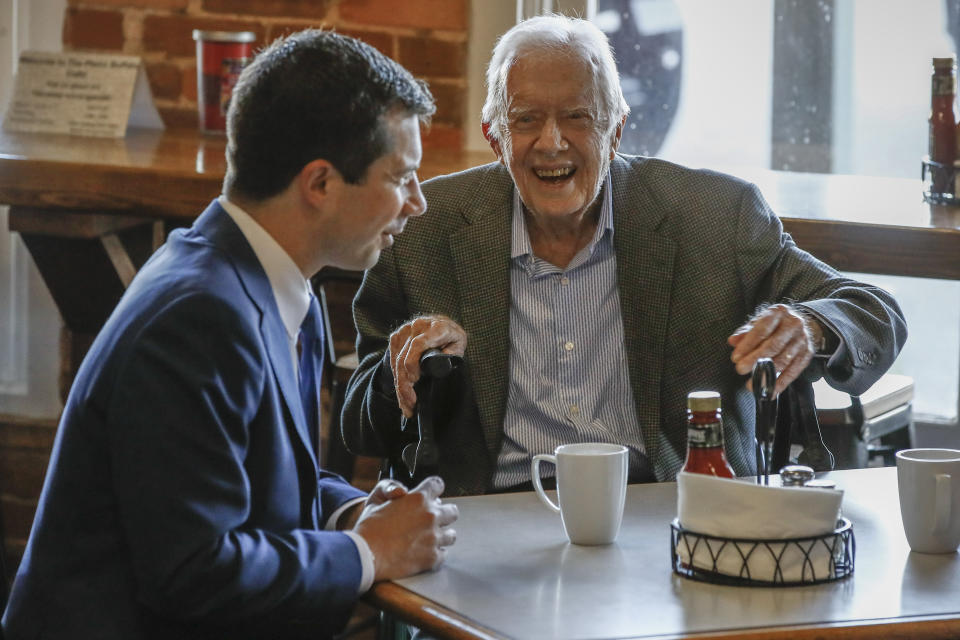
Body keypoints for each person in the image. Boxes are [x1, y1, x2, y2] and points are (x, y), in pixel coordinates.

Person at [2, 30, 458, 640]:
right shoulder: (196, 321)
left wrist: (353, 509)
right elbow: (193, 572)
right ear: (319, 183)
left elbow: (264, 478)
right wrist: (368, 554)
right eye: (402, 177)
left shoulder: (271, 275)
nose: (418, 204)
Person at [341, 15, 907, 497]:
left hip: (668, 514)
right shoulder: (424, 229)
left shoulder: (715, 216)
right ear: (495, 136)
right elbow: (359, 425)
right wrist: (399, 378)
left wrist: (811, 325)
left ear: (615, 131)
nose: (552, 142)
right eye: (526, 119)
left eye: (578, 117)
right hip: (487, 520)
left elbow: (874, 311)